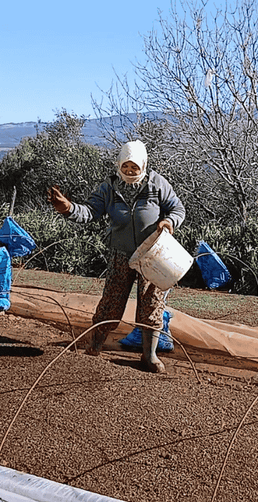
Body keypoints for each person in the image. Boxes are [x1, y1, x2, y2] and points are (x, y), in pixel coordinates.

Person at [47, 140, 186, 373]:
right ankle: (95, 346)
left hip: (153, 255)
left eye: (135, 167)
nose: (130, 172)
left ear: (144, 165)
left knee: (152, 304)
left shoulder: (157, 184)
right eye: (125, 167)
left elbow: (177, 209)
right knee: (111, 302)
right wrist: (68, 209)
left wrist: (169, 222)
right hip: (120, 255)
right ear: (118, 165)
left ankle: (149, 356)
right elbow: (90, 212)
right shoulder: (109, 188)